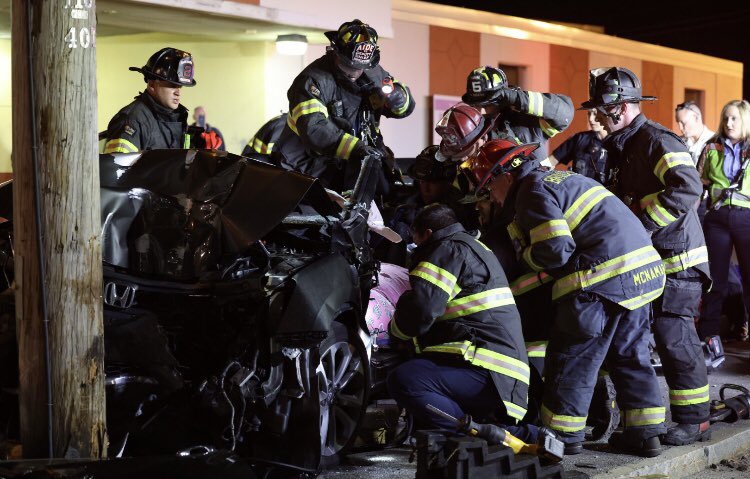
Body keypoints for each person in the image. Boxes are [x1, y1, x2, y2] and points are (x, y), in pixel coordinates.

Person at [470, 137, 667, 456]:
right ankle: (646, 434)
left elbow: (555, 249)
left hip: (601, 277)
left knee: (573, 354)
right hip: (643, 273)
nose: (491, 196)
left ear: (506, 176)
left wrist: (524, 259)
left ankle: (562, 437)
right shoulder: (565, 179)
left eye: (489, 186)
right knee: (629, 354)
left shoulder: (531, 191)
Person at [584, 66, 712, 446]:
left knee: (676, 340)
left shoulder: (656, 141)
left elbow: (688, 188)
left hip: (679, 261)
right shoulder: (625, 146)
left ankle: (695, 421)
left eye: (602, 112)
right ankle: (644, 425)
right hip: (653, 262)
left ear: (620, 108)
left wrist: (641, 225)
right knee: (640, 341)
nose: (598, 121)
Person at [386, 204, 536, 442]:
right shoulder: (472, 246)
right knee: (422, 375)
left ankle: (492, 436)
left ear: (425, 233)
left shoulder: (446, 249)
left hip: (488, 370)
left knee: (406, 380)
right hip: (501, 373)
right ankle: (509, 434)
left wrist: (393, 331)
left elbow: (422, 311)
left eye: (413, 237)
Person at [273, 19, 415, 192]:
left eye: (361, 68)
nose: (355, 73)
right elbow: (315, 130)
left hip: (358, 163)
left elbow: (404, 106)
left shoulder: (374, 72)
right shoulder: (313, 80)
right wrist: (358, 148)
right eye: (349, 65)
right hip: (309, 167)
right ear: (336, 52)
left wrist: (399, 98)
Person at [438, 66, 573, 162]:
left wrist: (516, 97)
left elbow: (564, 114)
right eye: (477, 106)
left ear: (503, 100)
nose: (482, 112)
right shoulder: (471, 133)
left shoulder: (525, 123)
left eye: (488, 105)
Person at [698, 99, 750, 340]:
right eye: (725, 118)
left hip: (746, 217)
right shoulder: (711, 147)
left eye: (734, 118)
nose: (728, 123)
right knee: (714, 282)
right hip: (717, 217)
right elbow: (698, 182)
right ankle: (707, 339)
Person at [104, 48, 196, 154]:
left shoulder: (175, 117)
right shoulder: (132, 121)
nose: (178, 92)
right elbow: (119, 167)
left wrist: (201, 145)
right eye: (172, 86)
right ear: (152, 85)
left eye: (180, 87)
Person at [548, 109, 613, 185]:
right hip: (579, 193)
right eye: (589, 114)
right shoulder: (579, 139)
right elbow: (549, 162)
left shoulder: (618, 142)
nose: (591, 119)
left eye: (595, 114)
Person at [676, 101, 714, 166]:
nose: (680, 128)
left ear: (696, 118)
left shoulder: (715, 142)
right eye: (678, 123)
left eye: (683, 123)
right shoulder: (678, 142)